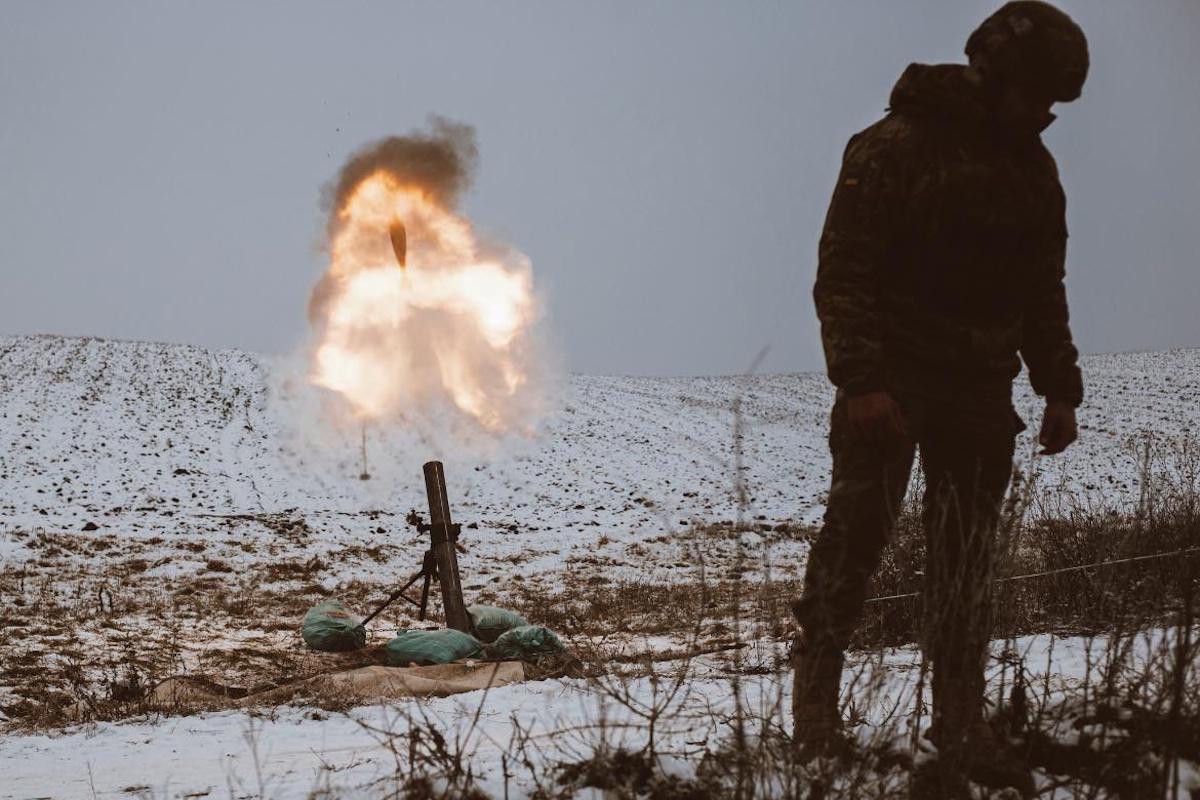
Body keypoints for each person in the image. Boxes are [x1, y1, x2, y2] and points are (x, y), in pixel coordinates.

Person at [793, 0, 1088, 792]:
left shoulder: (1032, 168)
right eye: (1034, 96)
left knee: (966, 566)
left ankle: (961, 729)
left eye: (1052, 102)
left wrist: (1058, 385)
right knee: (851, 551)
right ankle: (815, 727)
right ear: (992, 75)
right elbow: (844, 273)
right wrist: (862, 382)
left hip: (980, 393)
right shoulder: (893, 148)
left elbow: (1041, 287)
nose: (1042, 114)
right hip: (893, 387)